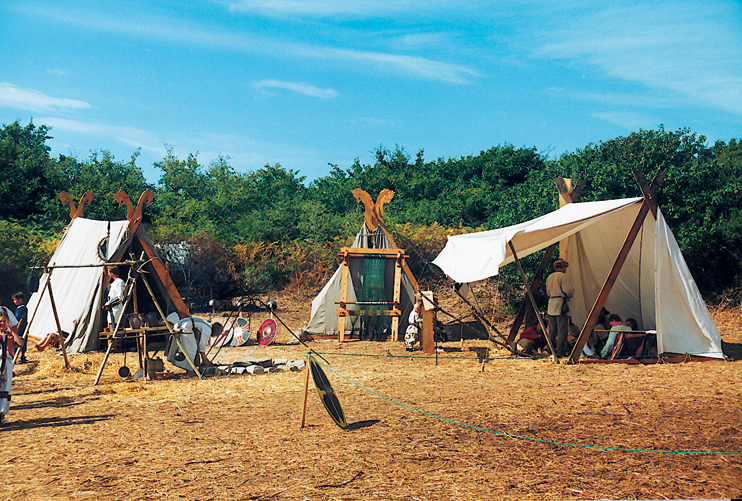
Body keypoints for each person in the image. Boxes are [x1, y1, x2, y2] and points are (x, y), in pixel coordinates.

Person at [545, 259, 575, 358]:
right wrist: (572, 292)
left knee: (552, 330)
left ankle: (550, 350)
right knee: (562, 330)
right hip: (560, 304)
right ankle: (560, 352)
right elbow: (567, 290)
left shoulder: (550, 277)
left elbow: (548, 292)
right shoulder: (563, 276)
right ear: (562, 268)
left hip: (551, 303)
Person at [0, 306, 22, 426]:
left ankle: (2, 415)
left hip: (6, 362)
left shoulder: (8, 335)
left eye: (5, 321)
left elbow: (19, 344)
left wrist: (12, 331)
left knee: (5, 388)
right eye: (1, 322)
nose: (3, 324)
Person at [12, 292, 28, 364]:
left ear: (20, 299)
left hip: (21, 327)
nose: (14, 301)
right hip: (17, 326)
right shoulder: (18, 308)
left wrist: (18, 326)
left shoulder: (23, 308)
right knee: (15, 340)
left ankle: (22, 356)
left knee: (21, 340)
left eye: (15, 300)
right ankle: (14, 355)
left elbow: (22, 318)